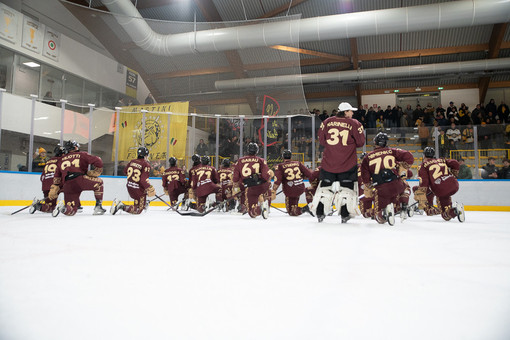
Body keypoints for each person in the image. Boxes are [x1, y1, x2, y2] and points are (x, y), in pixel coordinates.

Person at [310, 102, 365, 223]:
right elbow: (361, 142)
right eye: (350, 111)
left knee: (324, 189)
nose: (352, 113)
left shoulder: (327, 122)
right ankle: (345, 214)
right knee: (347, 191)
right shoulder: (355, 123)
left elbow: (322, 140)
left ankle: (320, 212)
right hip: (347, 164)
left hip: (328, 163)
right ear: (345, 112)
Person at [360, 132, 414, 225]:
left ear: (375, 142)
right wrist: (404, 166)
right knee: (405, 187)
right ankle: (403, 205)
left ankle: (384, 213)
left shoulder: (367, 158)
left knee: (379, 218)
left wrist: (368, 185)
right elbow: (409, 157)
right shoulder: (392, 151)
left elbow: (365, 176)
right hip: (396, 184)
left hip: (381, 188)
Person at [49, 140, 105, 216]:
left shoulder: (60, 160)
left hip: (68, 184)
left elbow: (57, 177)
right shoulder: (82, 154)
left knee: (71, 211)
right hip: (80, 180)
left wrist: (55, 187)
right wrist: (96, 171)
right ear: (75, 147)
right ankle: (98, 207)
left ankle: (63, 208)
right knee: (99, 183)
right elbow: (98, 160)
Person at [414, 147, 465, 222]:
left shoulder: (423, 165)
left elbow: (424, 182)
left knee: (445, 215)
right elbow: (455, 163)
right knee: (446, 212)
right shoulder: (442, 160)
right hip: (454, 184)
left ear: (424, 155)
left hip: (441, 189)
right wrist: (454, 174)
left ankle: (455, 210)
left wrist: (421, 193)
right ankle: (453, 210)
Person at [111, 147, 156, 215]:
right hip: (139, 190)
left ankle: (144, 203)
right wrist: (149, 188)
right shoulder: (146, 164)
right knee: (138, 210)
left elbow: (125, 171)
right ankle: (121, 206)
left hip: (130, 187)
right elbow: (143, 181)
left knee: (136, 206)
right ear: (145, 155)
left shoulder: (132, 161)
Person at [232, 142, 272, 219]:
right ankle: (266, 205)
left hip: (250, 187)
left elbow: (235, 178)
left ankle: (259, 209)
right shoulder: (261, 160)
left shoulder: (240, 161)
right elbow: (266, 176)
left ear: (247, 150)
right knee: (268, 187)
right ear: (257, 151)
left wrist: (236, 189)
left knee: (252, 213)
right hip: (262, 185)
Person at [271, 149, 313, 216]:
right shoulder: (298, 163)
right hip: (300, 187)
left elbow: (277, 180)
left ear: (282, 157)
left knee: (291, 212)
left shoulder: (280, 166)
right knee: (294, 201)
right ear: (291, 157)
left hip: (290, 190)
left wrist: (274, 190)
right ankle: (298, 208)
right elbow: (309, 174)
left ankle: (305, 209)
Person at [29, 145, 65, 214]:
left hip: (45, 185)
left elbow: (42, 177)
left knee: (49, 206)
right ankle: (72, 205)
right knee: (51, 208)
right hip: (54, 184)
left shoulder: (48, 160)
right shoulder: (62, 161)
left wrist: (46, 185)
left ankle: (38, 205)